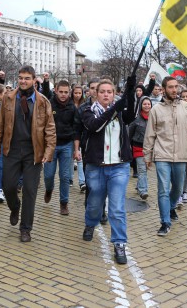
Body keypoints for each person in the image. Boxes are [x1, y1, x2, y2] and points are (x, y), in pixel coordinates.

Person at [0, 65, 56, 243]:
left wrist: (49, 150)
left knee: (30, 190)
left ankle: (25, 228)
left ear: (34, 80)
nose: (23, 81)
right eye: (20, 78)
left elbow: (50, 129)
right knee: (8, 186)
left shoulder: (43, 101)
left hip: (33, 151)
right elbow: (0, 124)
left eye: (27, 78)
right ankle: (15, 207)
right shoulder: (8, 99)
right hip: (11, 149)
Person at [144, 76, 187, 236]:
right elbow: (150, 135)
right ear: (164, 89)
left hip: (182, 155)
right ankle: (165, 222)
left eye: (176, 87)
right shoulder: (156, 110)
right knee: (162, 189)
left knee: (178, 188)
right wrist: (147, 155)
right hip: (162, 155)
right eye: (171, 87)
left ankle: (172, 206)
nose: (175, 90)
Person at [81, 75, 136, 265]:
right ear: (96, 94)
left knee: (116, 207)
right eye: (102, 92)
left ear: (114, 94)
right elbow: (95, 126)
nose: (106, 95)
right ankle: (90, 223)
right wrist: (115, 108)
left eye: (110, 92)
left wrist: (130, 91)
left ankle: (119, 243)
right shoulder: (88, 111)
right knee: (95, 204)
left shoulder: (121, 112)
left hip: (119, 166)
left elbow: (131, 114)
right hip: (96, 167)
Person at [44, 80, 80, 215]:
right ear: (56, 91)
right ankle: (49, 189)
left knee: (65, 176)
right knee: (48, 175)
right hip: (51, 145)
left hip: (66, 145)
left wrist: (76, 149)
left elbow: (76, 129)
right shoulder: (49, 105)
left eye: (66, 92)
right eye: (61, 92)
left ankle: (64, 203)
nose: (63, 95)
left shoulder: (72, 108)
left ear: (69, 92)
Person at [129, 97, 152, 200]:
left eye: (148, 104)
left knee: (145, 169)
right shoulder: (136, 119)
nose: (147, 106)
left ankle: (139, 186)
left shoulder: (154, 118)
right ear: (141, 106)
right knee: (142, 169)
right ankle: (143, 190)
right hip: (138, 147)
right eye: (145, 104)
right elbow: (129, 134)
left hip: (149, 148)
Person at [71, 84, 86, 191]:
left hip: (79, 134)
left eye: (79, 93)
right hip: (69, 134)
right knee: (70, 158)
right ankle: (70, 178)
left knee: (79, 158)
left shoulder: (84, 105)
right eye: (75, 93)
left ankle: (82, 181)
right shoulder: (69, 104)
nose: (77, 95)